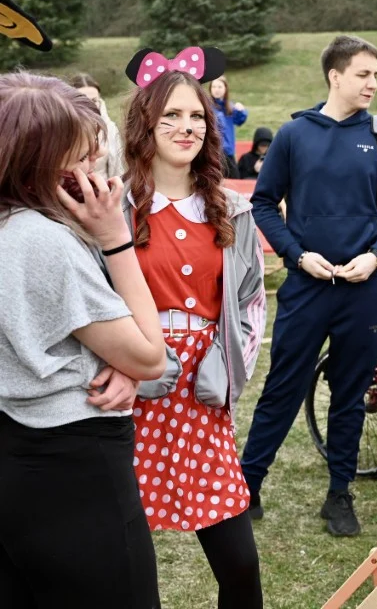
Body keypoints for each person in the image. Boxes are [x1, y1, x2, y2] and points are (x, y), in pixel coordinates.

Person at [0, 72, 166, 608]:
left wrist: (110, 350)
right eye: (83, 152)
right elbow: (149, 355)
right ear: (38, 162)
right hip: (74, 464)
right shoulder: (42, 240)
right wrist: (117, 239)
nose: (98, 160)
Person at [241, 35, 377, 536]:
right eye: (364, 74)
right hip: (307, 285)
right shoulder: (295, 135)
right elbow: (262, 203)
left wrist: (376, 253)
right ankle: (247, 486)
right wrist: (297, 255)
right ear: (335, 76)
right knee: (282, 387)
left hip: (365, 286)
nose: (373, 84)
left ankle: (339, 494)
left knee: (349, 392)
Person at [121, 49, 267, 608]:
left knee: (240, 564)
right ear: (145, 125)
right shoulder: (116, 208)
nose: (187, 128)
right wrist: (129, 364)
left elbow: (252, 301)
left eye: (197, 117)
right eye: (171, 117)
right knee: (128, 560)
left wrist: (229, 367)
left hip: (204, 395)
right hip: (132, 395)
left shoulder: (231, 210)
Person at [69, 73, 126, 181]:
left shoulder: (110, 129)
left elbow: (118, 168)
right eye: (83, 100)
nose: (91, 105)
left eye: (94, 100)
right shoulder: (62, 131)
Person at [210, 76, 248, 179]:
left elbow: (240, 120)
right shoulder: (207, 107)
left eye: (219, 87)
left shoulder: (230, 107)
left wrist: (241, 110)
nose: (216, 89)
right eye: (214, 87)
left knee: (235, 180)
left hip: (228, 152)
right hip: (213, 151)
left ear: (225, 89)